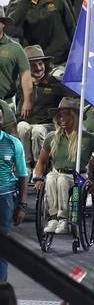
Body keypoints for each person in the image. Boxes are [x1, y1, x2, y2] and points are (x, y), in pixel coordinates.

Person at [32, 98, 94, 234]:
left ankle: (63, 218)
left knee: (62, 180)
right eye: (59, 115)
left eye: (66, 114)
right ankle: (53, 217)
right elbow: (41, 161)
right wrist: (38, 178)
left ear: (75, 117)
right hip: (56, 173)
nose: (62, 118)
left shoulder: (88, 139)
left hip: (77, 177)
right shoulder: (52, 137)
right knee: (52, 178)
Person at [8, 0, 76, 65]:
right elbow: (10, 30)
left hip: (59, 61)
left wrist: (76, 57)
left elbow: (72, 28)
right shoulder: (17, 0)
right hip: (33, 61)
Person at [16, 45, 64, 170]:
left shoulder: (55, 83)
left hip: (49, 125)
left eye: (40, 63)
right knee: (21, 127)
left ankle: (40, 166)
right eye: (33, 65)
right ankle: (25, 166)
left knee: (37, 130)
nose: (38, 68)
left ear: (45, 64)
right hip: (29, 124)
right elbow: (18, 110)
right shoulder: (22, 85)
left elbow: (67, 105)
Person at [0, 109, 27, 282]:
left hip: (5, 199)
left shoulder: (13, 143)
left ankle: (1, 287)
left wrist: (22, 206)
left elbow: (23, 175)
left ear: (2, 120)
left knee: (3, 248)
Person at [0, 7, 31, 111]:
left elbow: (25, 75)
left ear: (3, 24)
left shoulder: (15, 48)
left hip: (6, 103)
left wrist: (27, 101)